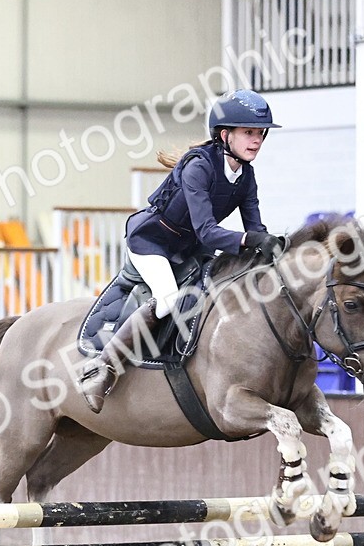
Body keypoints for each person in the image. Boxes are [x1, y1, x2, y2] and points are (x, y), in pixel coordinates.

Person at [75, 88, 286, 413]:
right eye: (249, 132)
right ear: (225, 135)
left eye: (260, 134)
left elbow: (255, 229)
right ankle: (101, 370)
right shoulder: (198, 167)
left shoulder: (246, 176)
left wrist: (274, 250)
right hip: (152, 242)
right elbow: (208, 230)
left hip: (190, 247)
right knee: (169, 300)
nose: (257, 140)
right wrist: (249, 240)